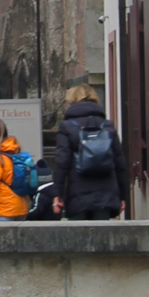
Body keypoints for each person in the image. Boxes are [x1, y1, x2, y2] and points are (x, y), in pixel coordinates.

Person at [52, 85, 129, 220]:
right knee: (102, 238)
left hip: (78, 194)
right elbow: (120, 163)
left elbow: (61, 162)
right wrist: (123, 196)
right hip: (106, 194)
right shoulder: (107, 126)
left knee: (78, 239)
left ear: (72, 101)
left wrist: (57, 193)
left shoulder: (67, 127)